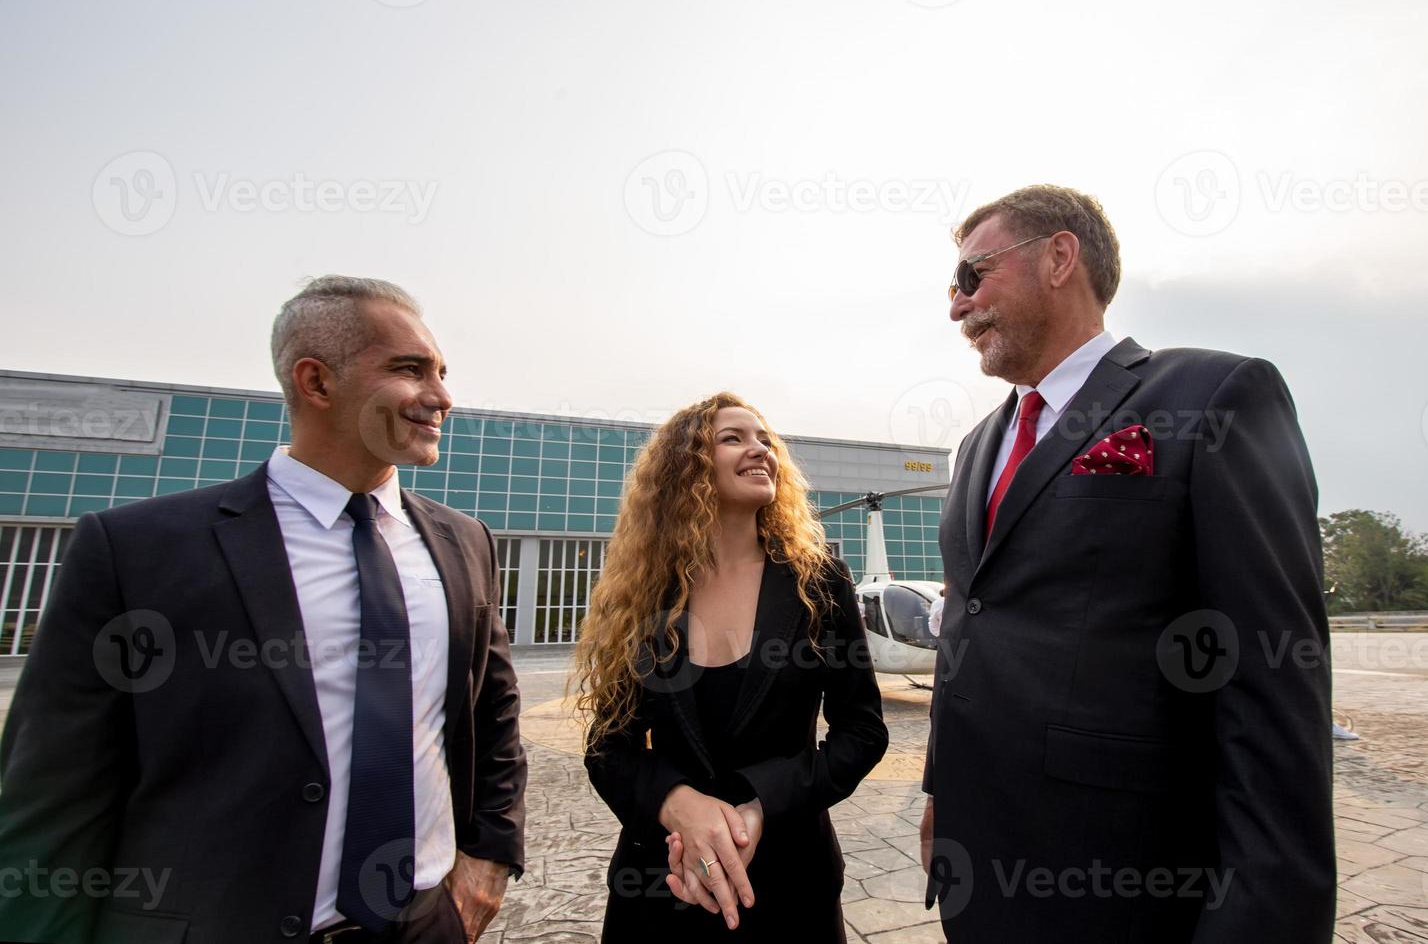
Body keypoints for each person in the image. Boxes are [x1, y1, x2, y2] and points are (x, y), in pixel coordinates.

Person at [0, 276, 526, 944]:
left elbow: (493, 713)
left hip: (426, 925)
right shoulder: (135, 550)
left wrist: (489, 859)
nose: (442, 396)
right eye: (410, 369)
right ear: (316, 381)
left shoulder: (464, 543)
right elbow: (51, 794)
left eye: (442, 373)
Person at [920, 186, 1335, 942]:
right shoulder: (978, 445)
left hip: (1126, 889)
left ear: (1058, 257)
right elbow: (968, 629)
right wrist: (941, 789)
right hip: (979, 875)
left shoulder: (1212, 396)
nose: (956, 305)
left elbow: (1271, 692)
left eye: (972, 276)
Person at [573, 392, 888, 942]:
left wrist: (761, 805)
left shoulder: (820, 582)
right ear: (687, 468)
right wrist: (677, 807)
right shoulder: (644, 592)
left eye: (765, 439)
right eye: (733, 438)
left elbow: (862, 731)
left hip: (790, 882)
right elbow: (608, 747)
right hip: (661, 883)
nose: (759, 449)